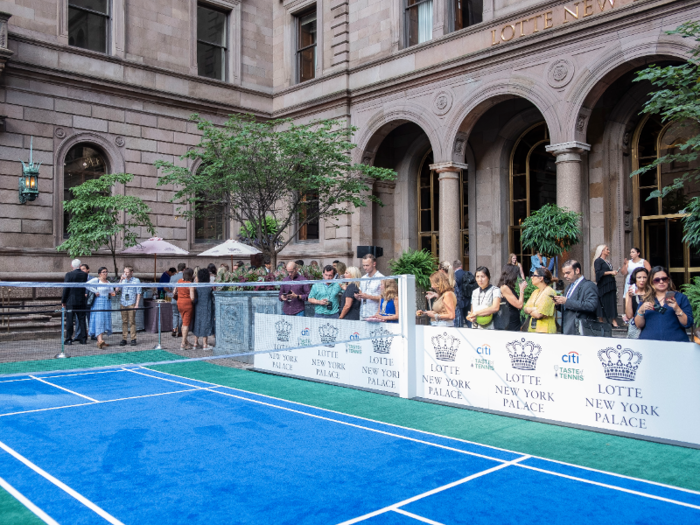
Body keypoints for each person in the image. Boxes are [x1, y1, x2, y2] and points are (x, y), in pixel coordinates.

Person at [634, 267, 693, 342]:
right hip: (649, 345)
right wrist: (641, 310)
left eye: (664, 279)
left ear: (668, 280)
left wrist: (677, 309)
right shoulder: (646, 299)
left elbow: (687, 323)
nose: (661, 282)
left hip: (676, 344)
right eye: (657, 280)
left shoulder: (680, 298)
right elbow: (639, 325)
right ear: (651, 282)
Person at [553, 260, 600, 335]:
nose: (565, 276)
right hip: (567, 330)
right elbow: (568, 309)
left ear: (577, 270)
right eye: (564, 273)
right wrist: (559, 304)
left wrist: (566, 301)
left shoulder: (589, 285)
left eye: (568, 273)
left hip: (581, 331)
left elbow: (591, 306)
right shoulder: (568, 287)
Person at [61, 258, 89, 345]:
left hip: (71, 301)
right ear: (80, 266)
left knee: (70, 320)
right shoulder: (84, 275)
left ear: (71, 266)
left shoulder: (69, 275)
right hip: (81, 300)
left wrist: (63, 300)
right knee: (82, 319)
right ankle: (83, 339)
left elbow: (66, 288)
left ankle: (69, 338)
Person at [87, 267, 115, 349]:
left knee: (104, 320)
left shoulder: (108, 282)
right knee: (99, 320)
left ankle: (101, 339)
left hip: (106, 302)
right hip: (98, 302)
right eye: (103, 272)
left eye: (106, 272)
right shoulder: (96, 280)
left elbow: (112, 292)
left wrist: (115, 291)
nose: (105, 273)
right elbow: (87, 285)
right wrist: (95, 291)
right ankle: (99, 340)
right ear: (99, 273)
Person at [524, 268, 557, 334]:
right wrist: (534, 309)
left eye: (534, 275)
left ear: (541, 278)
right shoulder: (535, 292)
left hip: (545, 330)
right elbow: (525, 309)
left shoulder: (549, 292)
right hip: (533, 329)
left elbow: (538, 314)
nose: (531, 277)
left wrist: (530, 310)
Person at [593, 244, 619, 327]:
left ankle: (613, 321)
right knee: (602, 301)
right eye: (607, 249)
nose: (609, 251)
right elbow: (598, 272)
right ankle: (601, 321)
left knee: (612, 301)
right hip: (603, 284)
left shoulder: (607, 261)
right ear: (602, 251)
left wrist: (613, 273)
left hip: (610, 283)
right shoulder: (598, 261)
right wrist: (611, 272)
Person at [116, 266, 142, 346]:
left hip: (131, 303)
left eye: (127, 272)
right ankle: (124, 338)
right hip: (123, 302)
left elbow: (138, 293)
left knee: (132, 321)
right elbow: (116, 290)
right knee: (124, 321)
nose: (125, 274)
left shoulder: (136, 280)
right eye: (124, 272)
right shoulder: (123, 280)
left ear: (131, 272)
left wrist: (137, 304)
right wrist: (120, 280)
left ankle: (133, 338)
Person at [497, 264, 528, 331]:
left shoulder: (508, 286)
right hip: (510, 322)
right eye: (516, 275)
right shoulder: (504, 287)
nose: (517, 277)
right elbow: (519, 305)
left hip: (512, 320)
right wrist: (521, 290)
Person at [356, 254, 384, 319]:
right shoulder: (363, 278)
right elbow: (361, 294)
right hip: (363, 313)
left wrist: (368, 296)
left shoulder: (381, 278)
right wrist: (358, 297)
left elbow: (384, 297)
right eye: (363, 265)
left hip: (374, 314)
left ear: (374, 264)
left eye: (367, 265)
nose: (365, 267)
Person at [192, 268, 215, 350]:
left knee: (197, 322)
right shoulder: (209, 287)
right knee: (205, 323)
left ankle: (195, 343)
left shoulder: (196, 286)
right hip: (207, 306)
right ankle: (205, 344)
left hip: (197, 306)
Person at [624, 267, 650, 339]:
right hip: (636, 328)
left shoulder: (651, 293)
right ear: (635, 279)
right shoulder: (630, 294)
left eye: (644, 277)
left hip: (650, 326)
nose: (642, 280)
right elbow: (629, 315)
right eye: (639, 277)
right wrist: (629, 297)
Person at [176, 268, 196, 349]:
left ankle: (186, 341)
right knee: (186, 324)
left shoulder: (179, 281)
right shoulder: (190, 284)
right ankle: (183, 343)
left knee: (183, 321)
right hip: (187, 304)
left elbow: (174, 292)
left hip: (179, 302)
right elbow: (192, 298)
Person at [169, 263, 186, 338]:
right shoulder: (185, 277)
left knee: (175, 314)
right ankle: (179, 331)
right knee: (180, 315)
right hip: (182, 298)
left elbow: (170, 288)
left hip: (174, 298)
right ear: (184, 269)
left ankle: (174, 329)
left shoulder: (172, 277)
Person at [452, 260, 467, 327]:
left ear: (453, 267)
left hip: (459, 301)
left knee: (459, 322)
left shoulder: (454, 276)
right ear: (461, 266)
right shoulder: (467, 273)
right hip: (468, 300)